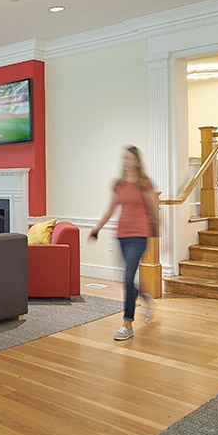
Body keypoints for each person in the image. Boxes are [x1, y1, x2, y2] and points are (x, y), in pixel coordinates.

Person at [90, 146, 158, 341]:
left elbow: (153, 210)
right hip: (122, 235)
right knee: (128, 279)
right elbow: (110, 209)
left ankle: (127, 324)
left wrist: (158, 233)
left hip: (139, 235)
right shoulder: (118, 184)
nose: (125, 161)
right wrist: (96, 228)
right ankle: (146, 299)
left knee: (127, 278)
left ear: (137, 161)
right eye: (124, 158)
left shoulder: (144, 184)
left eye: (129, 158)